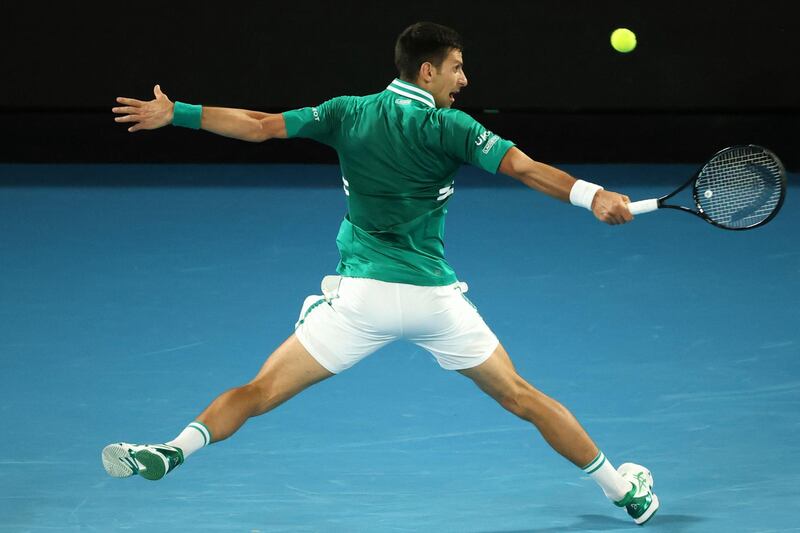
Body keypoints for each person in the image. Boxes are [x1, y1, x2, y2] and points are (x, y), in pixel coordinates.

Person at [104, 21, 658, 526]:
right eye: (457, 67)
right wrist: (594, 196)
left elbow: (261, 125)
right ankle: (624, 492)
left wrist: (178, 113)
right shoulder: (453, 127)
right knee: (522, 397)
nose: (463, 78)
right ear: (427, 70)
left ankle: (173, 450)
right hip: (433, 304)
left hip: (360, 302)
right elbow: (526, 169)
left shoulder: (347, 112)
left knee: (258, 391)